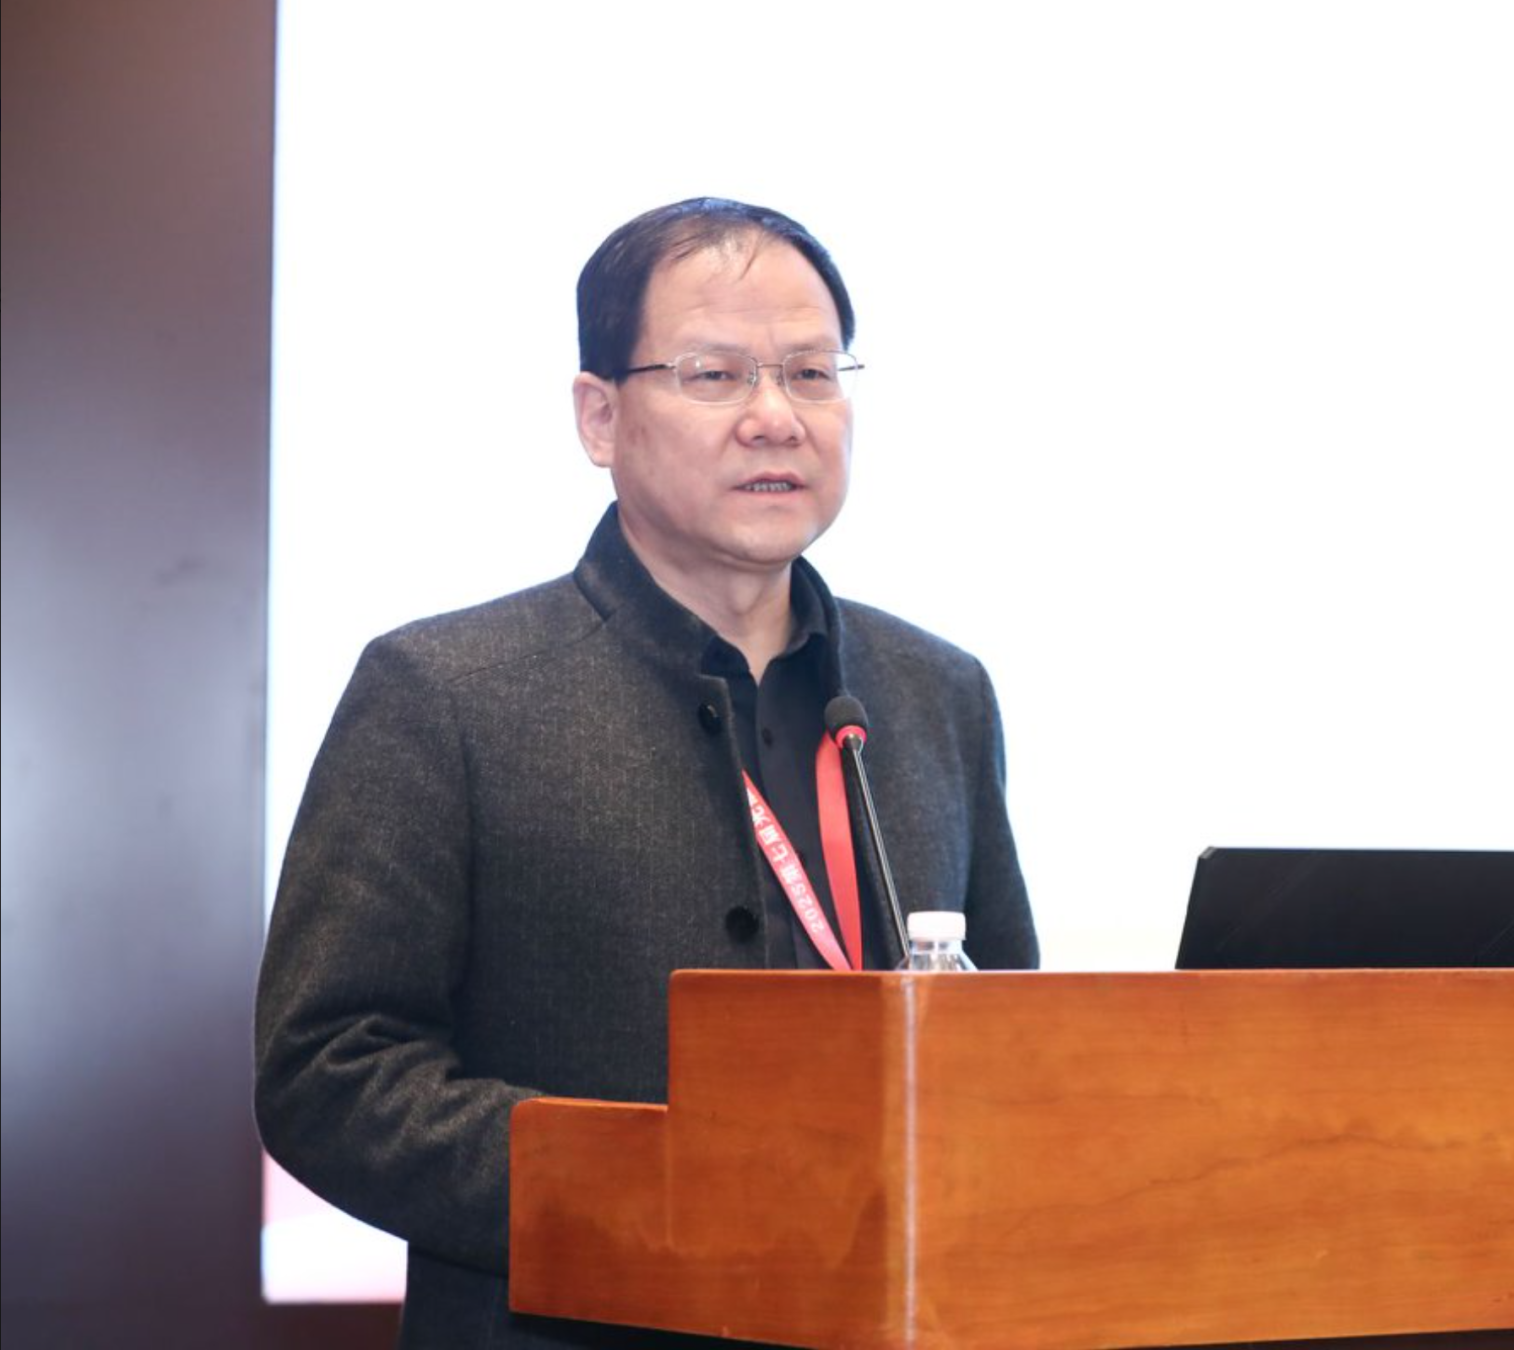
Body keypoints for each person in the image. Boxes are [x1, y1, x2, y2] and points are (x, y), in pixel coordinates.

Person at [255, 198, 1039, 1347]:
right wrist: (647, 1186)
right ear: (599, 417)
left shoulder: (936, 691)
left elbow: (1014, 1038)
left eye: (810, 373)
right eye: (714, 375)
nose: (775, 418)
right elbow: (327, 1069)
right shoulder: (444, 692)